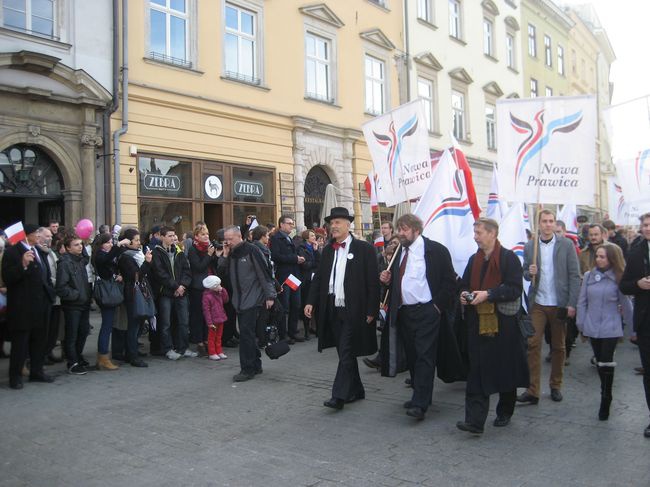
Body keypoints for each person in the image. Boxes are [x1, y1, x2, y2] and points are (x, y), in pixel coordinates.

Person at [455, 218, 529, 435]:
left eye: (479, 232)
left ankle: (505, 410)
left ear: (492, 233)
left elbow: (514, 288)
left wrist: (489, 294)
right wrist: (463, 294)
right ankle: (475, 421)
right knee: (476, 371)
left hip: (504, 325)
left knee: (505, 368)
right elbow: (465, 284)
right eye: (475, 232)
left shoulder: (508, 258)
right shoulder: (474, 259)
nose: (475, 236)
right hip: (477, 324)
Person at [379, 214, 456, 420]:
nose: (400, 234)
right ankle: (419, 395)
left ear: (416, 230)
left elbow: (450, 282)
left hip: (427, 312)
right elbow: (397, 281)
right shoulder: (398, 253)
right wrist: (386, 280)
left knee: (424, 356)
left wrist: (437, 308)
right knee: (412, 355)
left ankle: (420, 403)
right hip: (404, 312)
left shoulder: (435, 250)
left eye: (404, 229)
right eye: (399, 229)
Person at [305, 207, 380, 410]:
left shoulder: (364, 249)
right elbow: (319, 278)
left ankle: (339, 395)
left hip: (353, 309)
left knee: (346, 350)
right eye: (332, 223)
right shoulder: (328, 250)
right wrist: (311, 301)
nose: (334, 226)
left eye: (338, 222)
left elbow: (373, 283)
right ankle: (357, 389)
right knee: (344, 352)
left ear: (348, 225)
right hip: (331, 307)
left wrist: (372, 310)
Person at [518, 209, 581, 405]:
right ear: (538, 224)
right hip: (538, 301)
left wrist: (572, 303)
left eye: (551, 221)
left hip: (559, 302)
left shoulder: (566, 245)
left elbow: (574, 274)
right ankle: (533, 389)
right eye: (544, 221)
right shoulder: (530, 246)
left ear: (555, 224)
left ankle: (556, 385)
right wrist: (529, 272)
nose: (547, 224)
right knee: (533, 343)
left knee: (558, 346)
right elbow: (525, 273)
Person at [577, 243, 633, 421]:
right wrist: (581, 324)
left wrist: (633, 329)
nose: (598, 260)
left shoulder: (618, 277)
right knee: (599, 361)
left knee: (607, 362)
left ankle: (606, 396)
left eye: (603, 257)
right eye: (598, 256)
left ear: (612, 259)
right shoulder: (588, 276)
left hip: (611, 326)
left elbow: (626, 304)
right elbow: (582, 302)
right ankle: (604, 387)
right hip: (592, 326)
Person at [217, 225, 277, 382]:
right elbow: (221, 273)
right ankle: (256, 364)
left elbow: (264, 274)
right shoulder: (231, 253)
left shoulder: (252, 250)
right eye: (226, 240)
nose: (227, 242)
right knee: (248, 334)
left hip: (253, 299)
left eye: (230, 239)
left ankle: (247, 369)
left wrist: (270, 296)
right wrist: (224, 254)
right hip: (238, 300)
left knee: (245, 334)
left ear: (239, 236)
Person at [2, 224, 56, 389]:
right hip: (21, 307)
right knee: (20, 344)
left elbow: (42, 276)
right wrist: (23, 265)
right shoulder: (12, 252)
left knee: (38, 341)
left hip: (39, 305)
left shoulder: (37, 250)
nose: (39, 237)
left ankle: (36, 372)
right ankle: (15, 376)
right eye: (36, 234)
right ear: (26, 235)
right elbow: (8, 277)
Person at [619, 212, 650, 438]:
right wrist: (638, 284)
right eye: (645, 225)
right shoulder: (636, 252)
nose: (648, 228)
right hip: (646, 321)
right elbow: (625, 285)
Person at [150, 226, 195, 361]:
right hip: (166, 293)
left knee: (183, 321)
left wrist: (182, 286)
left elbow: (187, 271)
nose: (173, 238)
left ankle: (183, 347)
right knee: (166, 323)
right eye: (169, 236)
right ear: (162, 237)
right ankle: (168, 348)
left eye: (173, 235)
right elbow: (160, 273)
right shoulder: (157, 252)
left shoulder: (179, 251)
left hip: (181, 292)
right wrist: (176, 286)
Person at [91, 232, 130, 370]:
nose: (110, 244)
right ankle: (103, 356)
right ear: (101, 244)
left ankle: (103, 356)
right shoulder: (99, 255)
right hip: (106, 293)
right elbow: (106, 260)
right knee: (106, 326)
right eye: (107, 242)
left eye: (111, 242)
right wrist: (118, 245)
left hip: (110, 290)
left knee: (108, 325)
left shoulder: (105, 254)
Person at [56, 236, 93, 375]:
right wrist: (75, 295)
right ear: (67, 248)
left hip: (83, 303)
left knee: (83, 332)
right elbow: (61, 287)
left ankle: (77, 356)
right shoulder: (65, 263)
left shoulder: (80, 261)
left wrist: (83, 239)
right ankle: (72, 362)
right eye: (76, 245)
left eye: (81, 244)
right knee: (72, 334)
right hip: (73, 305)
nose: (80, 247)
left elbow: (86, 256)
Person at [116, 228, 151, 368]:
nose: (139, 243)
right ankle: (132, 355)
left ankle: (132, 350)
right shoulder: (125, 256)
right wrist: (147, 263)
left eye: (138, 240)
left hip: (139, 291)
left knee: (139, 323)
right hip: (132, 292)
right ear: (128, 241)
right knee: (133, 325)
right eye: (136, 240)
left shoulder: (136, 253)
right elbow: (135, 275)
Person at [270, 215, 305, 343]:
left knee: (296, 305)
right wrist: (295, 259)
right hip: (284, 277)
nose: (291, 225)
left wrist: (299, 258)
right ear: (281, 224)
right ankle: (283, 335)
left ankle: (293, 331)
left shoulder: (289, 238)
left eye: (292, 223)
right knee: (284, 306)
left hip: (294, 276)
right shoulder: (275, 238)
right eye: (289, 223)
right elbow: (276, 256)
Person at [187, 223, 218, 355]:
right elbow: (199, 267)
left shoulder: (209, 248)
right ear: (196, 236)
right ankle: (198, 341)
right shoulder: (193, 249)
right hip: (198, 286)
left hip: (210, 285)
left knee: (208, 315)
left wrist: (216, 255)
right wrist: (209, 255)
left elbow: (213, 265)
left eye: (207, 234)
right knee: (198, 315)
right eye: (203, 234)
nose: (206, 237)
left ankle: (207, 339)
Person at [298, 229, 320, 340]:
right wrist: (314, 263)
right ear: (307, 237)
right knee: (307, 303)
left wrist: (316, 250)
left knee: (316, 304)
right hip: (306, 279)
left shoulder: (314, 247)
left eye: (314, 235)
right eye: (312, 235)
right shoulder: (302, 248)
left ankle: (316, 328)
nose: (314, 237)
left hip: (315, 278)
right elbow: (305, 265)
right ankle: (307, 330)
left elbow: (320, 262)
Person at [202, 275, 229, 361]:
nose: (219, 287)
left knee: (219, 336)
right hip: (213, 321)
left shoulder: (219, 293)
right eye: (217, 285)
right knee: (212, 337)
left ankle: (219, 351)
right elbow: (206, 310)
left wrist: (223, 290)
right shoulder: (207, 296)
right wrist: (209, 322)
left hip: (220, 318)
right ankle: (212, 352)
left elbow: (226, 300)